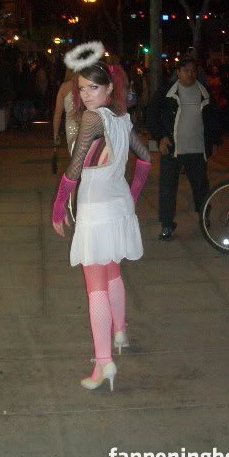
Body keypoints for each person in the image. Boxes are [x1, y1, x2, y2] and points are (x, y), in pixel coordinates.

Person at [52, 50, 151, 392]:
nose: (85, 95)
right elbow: (145, 159)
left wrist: (58, 207)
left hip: (96, 209)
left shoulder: (93, 119)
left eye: (92, 88)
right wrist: (132, 196)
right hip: (118, 206)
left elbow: (74, 169)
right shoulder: (121, 119)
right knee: (112, 274)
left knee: (95, 286)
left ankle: (103, 361)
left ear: (109, 88)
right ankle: (119, 331)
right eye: (81, 88)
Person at [147, 57, 221, 240]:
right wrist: (161, 137)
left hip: (197, 149)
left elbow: (214, 119)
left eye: (193, 70)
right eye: (186, 70)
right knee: (167, 188)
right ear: (178, 72)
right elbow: (151, 115)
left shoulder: (204, 92)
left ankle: (203, 216)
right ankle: (166, 224)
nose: (190, 74)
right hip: (172, 149)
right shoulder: (167, 92)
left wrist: (214, 141)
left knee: (201, 186)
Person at [52, 69, 78, 153]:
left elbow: (58, 113)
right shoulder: (86, 84)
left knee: (74, 154)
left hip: (71, 124)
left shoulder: (64, 87)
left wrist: (56, 134)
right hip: (86, 122)